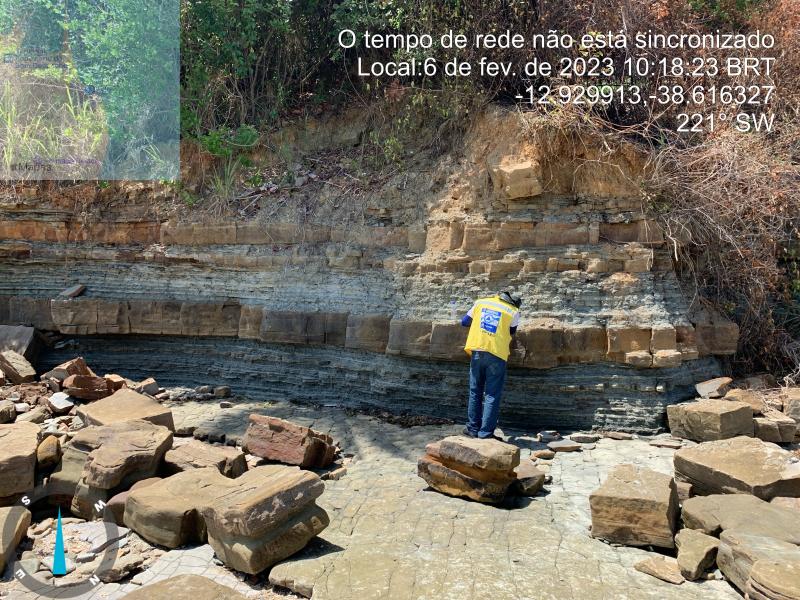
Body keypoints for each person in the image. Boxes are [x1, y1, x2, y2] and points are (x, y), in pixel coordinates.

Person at [459, 291, 521, 439]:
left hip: (478, 350)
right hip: (497, 354)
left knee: (475, 391)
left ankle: (472, 428)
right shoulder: (513, 311)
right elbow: (511, 331)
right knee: (492, 394)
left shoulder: (481, 302)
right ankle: (485, 433)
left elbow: (464, 322)